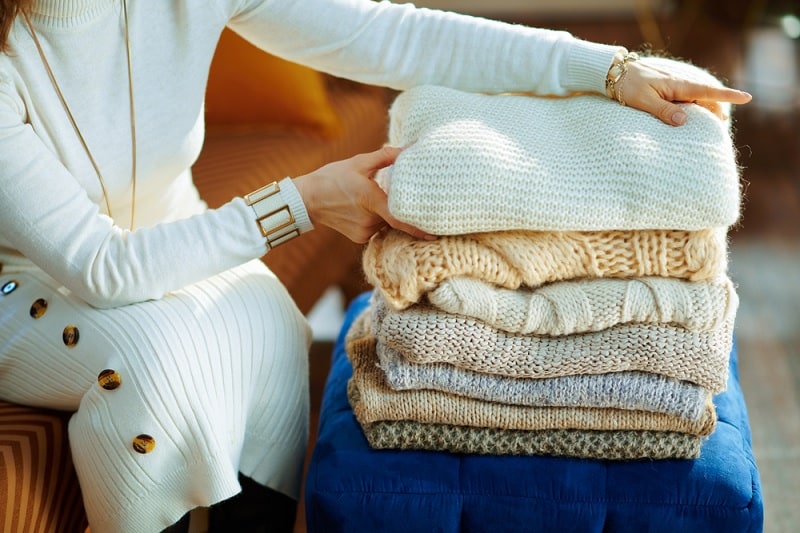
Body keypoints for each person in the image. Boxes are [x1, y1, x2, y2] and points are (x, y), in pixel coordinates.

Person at [0, 0, 751, 531]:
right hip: (32, 288)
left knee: (268, 325)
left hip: (173, 234)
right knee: (154, 368)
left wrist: (608, 69)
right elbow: (100, 266)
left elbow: (394, 35)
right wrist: (302, 199)